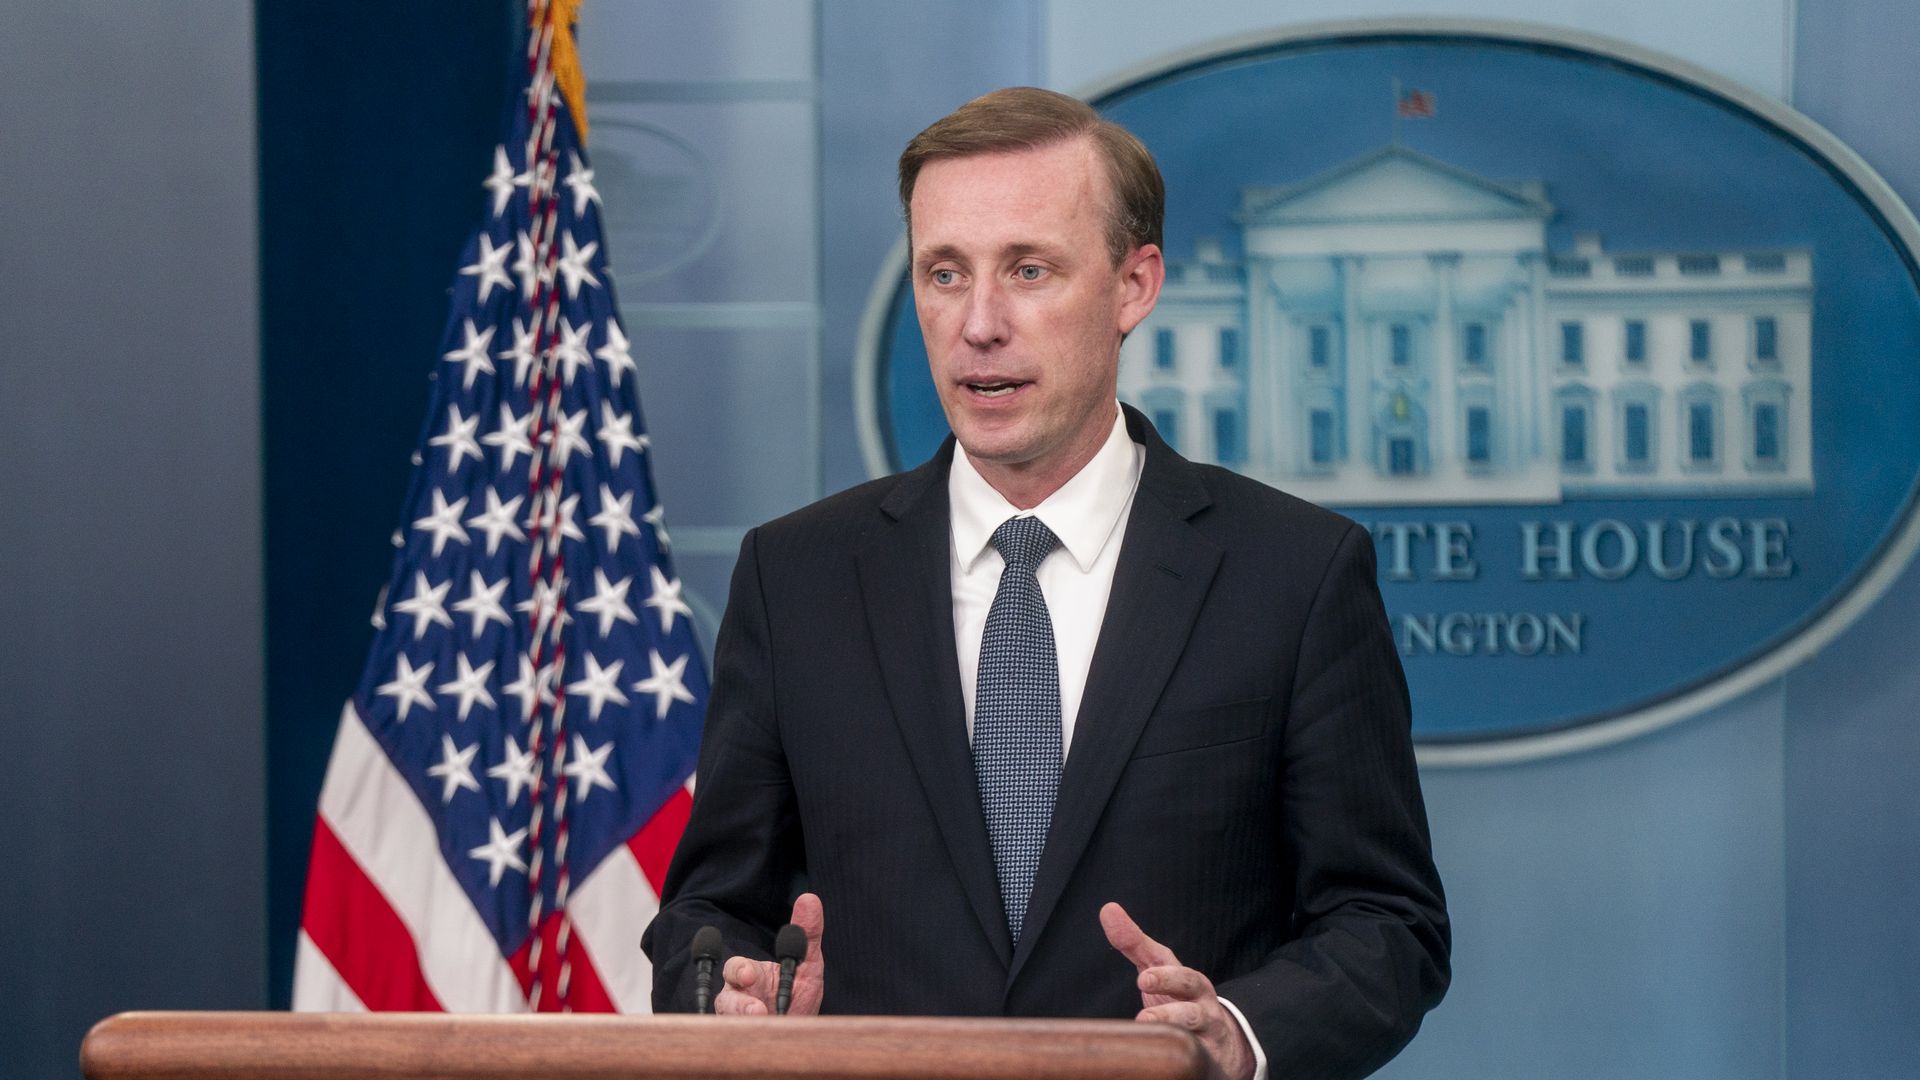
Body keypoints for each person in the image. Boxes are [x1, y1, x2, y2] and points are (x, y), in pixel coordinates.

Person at [643, 86, 1449, 1080]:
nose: (979, 324)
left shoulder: (1295, 575)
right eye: (945, 274)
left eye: (1029, 270)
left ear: (1133, 284)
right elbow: (709, 910)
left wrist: (1234, 1032)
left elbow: (1386, 924)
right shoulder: (797, 577)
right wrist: (728, 991)